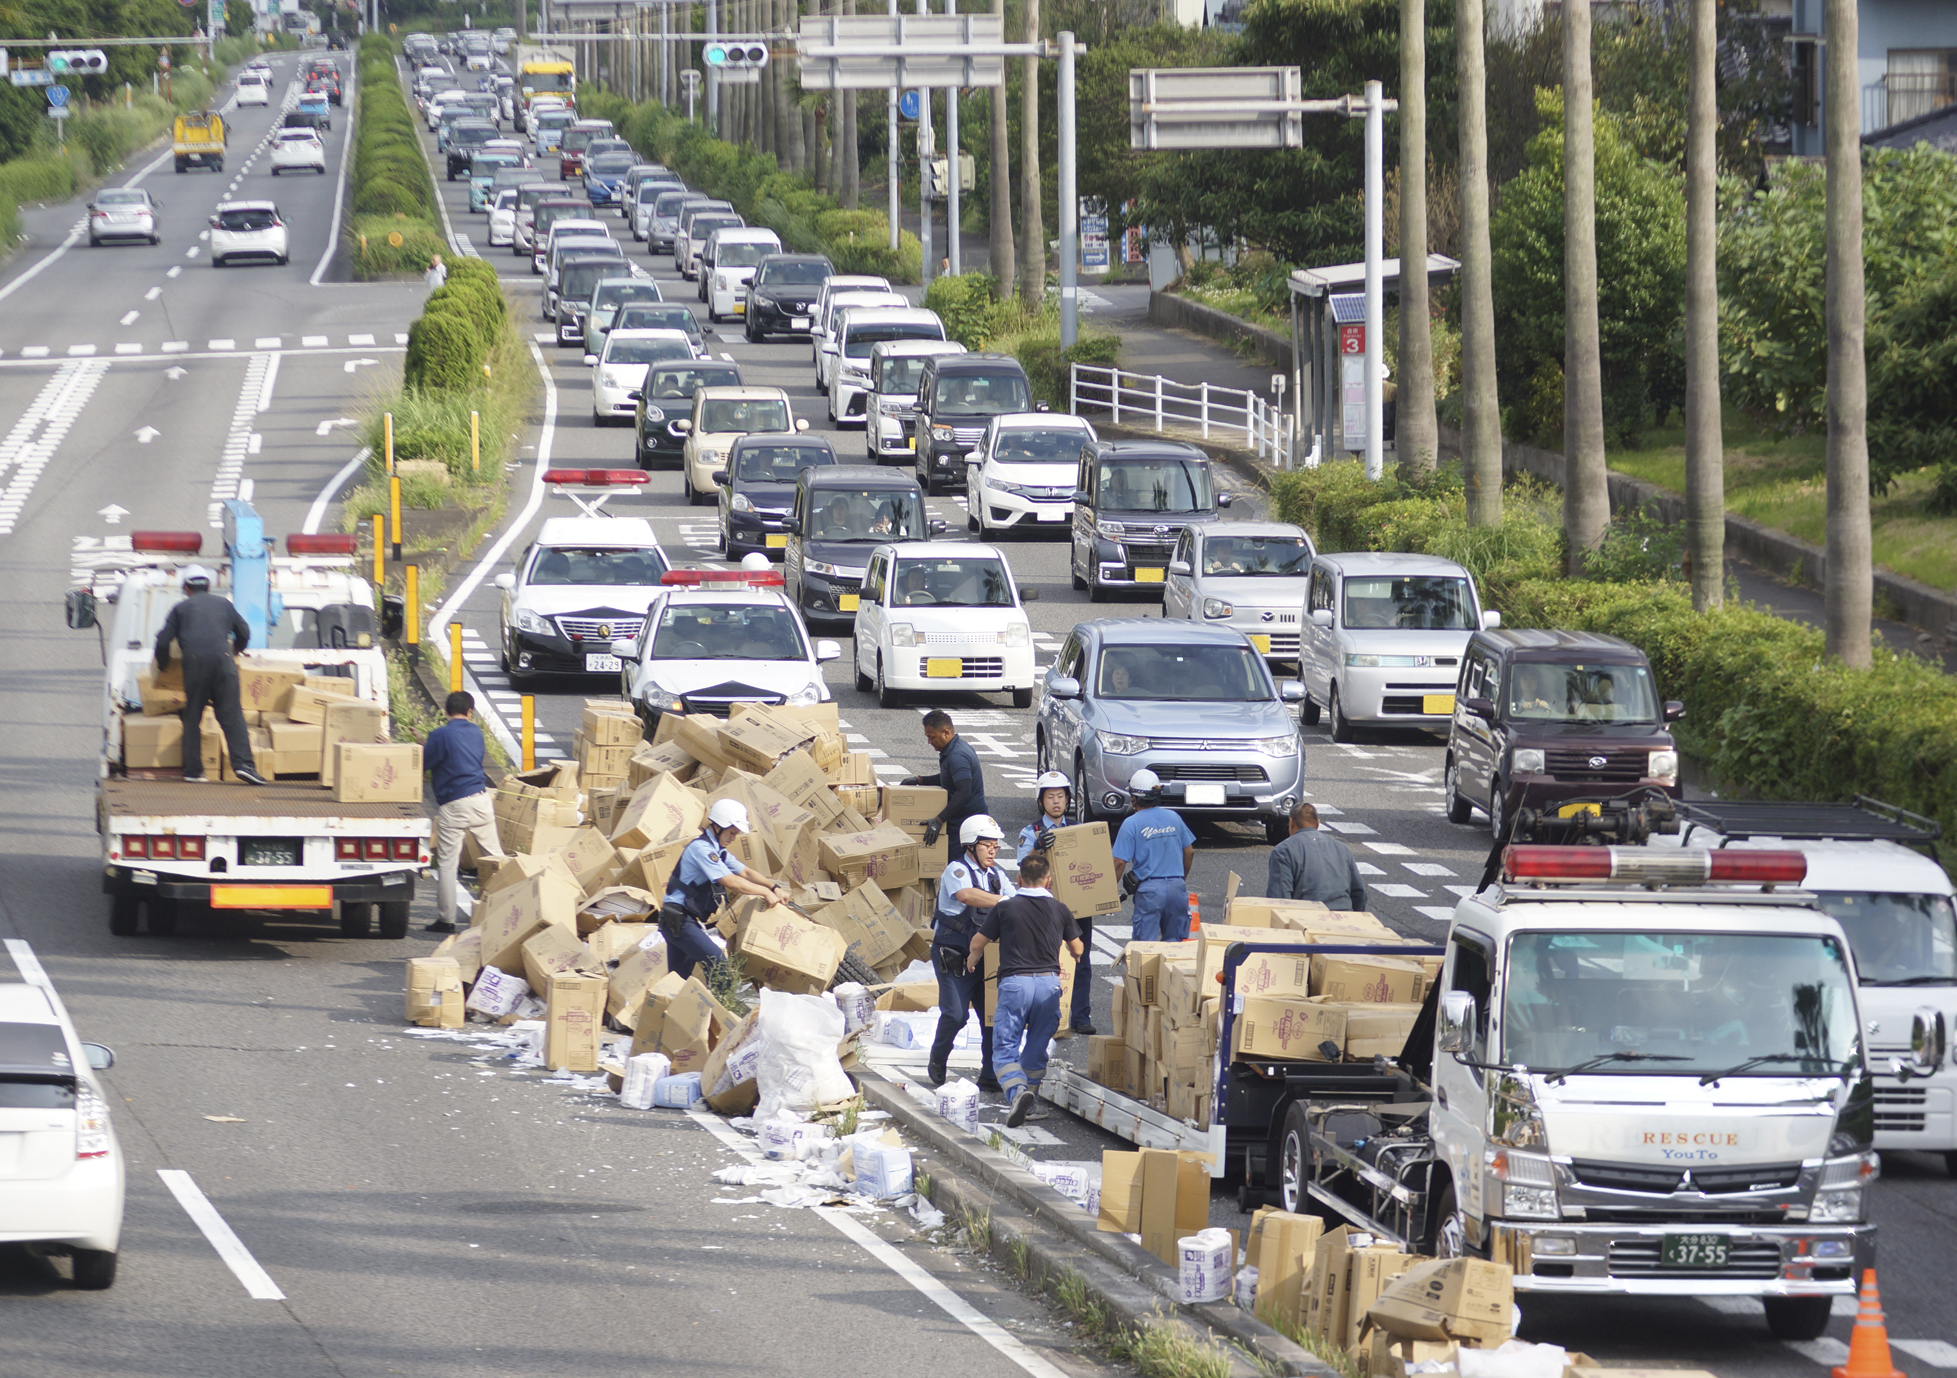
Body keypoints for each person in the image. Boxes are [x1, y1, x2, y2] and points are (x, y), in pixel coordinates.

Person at [971, 851, 1082, 1127]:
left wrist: (973, 960)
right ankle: (1029, 1099)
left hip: (1016, 983)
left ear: (1019, 879)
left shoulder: (1006, 907)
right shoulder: (1060, 908)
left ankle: (1017, 1092)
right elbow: (1077, 948)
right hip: (1049, 984)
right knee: (1037, 1044)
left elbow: (978, 942)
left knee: (1005, 1046)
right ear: (1048, 881)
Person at [154, 564, 269, 786]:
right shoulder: (224, 605)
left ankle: (193, 771)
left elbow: (162, 641)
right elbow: (244, 631)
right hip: (223, 661)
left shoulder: (181, 609)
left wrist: (164, 666)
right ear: (207, 585)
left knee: (193, 716)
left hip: (195, 665)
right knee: (232, 715)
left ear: (186, 588)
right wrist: (234, 650)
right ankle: (244, 765)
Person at [661, 799, 793, 982]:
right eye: (731, 832)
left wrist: (774, 887)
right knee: (717, 962)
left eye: (736, 834)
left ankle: (668, 1007)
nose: (733, 838)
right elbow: (731, 882)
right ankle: (723, 1009)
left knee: (676, 981)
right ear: (717, 826)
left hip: (680, 919)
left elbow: (745, 872)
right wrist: (765, 893)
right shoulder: (702, 849)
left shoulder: (718, 851)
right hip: (678, 920)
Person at [928, 816, 1013, 1090]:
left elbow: (1018, 901)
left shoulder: (997, 876)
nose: (992, 851)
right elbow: (967, 896)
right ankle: (938, 1060)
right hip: (954, 957)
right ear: (970, 845)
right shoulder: (957, 870)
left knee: (992, 1017)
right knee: (955, 1015)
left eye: (995, 846)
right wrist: (1005, 901)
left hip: (988, 958)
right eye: (987, 845)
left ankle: (989, 1075)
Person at [1018, 771, 1094, 1034]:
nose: (1056, 801)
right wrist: (1037, 847)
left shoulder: (1078, 828)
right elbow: (1022, 870)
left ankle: (1081, 1017)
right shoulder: (1031, 831)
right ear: (1041, 801)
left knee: (1081, 959)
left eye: (1061, 796)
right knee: (1045, 962)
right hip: (1044, 908)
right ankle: (1046, 1017)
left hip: (1077, 907)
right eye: (1050, 797)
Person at [422, 690, 505, 933]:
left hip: (455, 804)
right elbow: (460, 754)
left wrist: (422, 746)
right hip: (481, 800)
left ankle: (446, 920)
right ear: (470, 713)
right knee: (497, 858)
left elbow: (426, 761)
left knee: (448, 864)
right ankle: (507, 904)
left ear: (446, 712)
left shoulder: (439, 734)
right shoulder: (477, 733)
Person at [1111, 769, 1195, 942]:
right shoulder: (1173, 817)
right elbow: (1189, 851)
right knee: (1174, 950)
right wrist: (1180, 880)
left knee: (1144, 950)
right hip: (1177, 888)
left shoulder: (1131, 823)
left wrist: (1109, 894)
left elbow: (1119, 862)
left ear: (1134, 797)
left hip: (1149, 893)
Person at [905, 709, 989, 849]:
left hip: (967, 824)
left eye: (932, 737)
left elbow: (963, 792)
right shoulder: (955, 748)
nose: (929, 742)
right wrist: (920, 780)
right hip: (962, 820)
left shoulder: (957, 756)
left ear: (946, 733)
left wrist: (938, 820)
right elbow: (949, 778)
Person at [1265, 801, 1368, 911]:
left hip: (1306, 920)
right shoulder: (1342, 848)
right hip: (1344, 919)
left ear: (1291, 823)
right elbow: (1360, 893)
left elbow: (1279, 899)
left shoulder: (1283, 851)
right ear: (1318, 824)